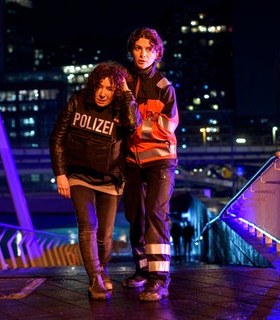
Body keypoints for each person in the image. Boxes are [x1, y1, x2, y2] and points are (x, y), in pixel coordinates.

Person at [50, 61, 141, 300]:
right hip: (79, 175)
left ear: (117, 91)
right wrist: (60, 174)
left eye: (110, 88)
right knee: (88, 225)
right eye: (100, 87)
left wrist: (127, 94)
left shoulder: (122, 109)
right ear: (93, 86)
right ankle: (95, 280)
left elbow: (133, 125)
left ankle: (101, 270)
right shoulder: (77, 101)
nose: (103, 93)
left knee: (105, 235)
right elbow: (57, 137)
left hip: (111, 178)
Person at [121, 27, 179, 302]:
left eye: (148, 49)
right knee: (135, 216)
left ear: (157, 53)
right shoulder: (123, 82)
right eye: (138, 48)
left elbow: (168, 127)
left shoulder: (163, 87)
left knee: (156, 214)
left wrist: (136, 127)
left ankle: (159, 280)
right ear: (132, 51)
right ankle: (143, 270)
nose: (143, 54)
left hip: (160, 161)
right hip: (131, 161)